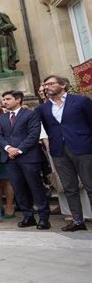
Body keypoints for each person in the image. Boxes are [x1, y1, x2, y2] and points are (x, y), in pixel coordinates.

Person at [37, 75, 92, 232]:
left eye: (51, 83)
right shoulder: (43, 108)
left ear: (63, 85)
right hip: (59, 150)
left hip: (83, 147)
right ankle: (77, 220)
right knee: (69, 187)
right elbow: (48, 128)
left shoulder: (81, 101)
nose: (47, 86)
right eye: (45, 84)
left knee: (90, 184)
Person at [0, 90, 50, 230]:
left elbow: (33, 135)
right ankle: (28, 216)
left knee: (36, 187)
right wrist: (8, 148)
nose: (4, 102)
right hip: (10, 159)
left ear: (18, 99)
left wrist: (18, 150)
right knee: (19, 188)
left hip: (28, 157)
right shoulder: (2, 118)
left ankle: (44, 218)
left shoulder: (30, 114)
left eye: (8, 99)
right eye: (3, 99)